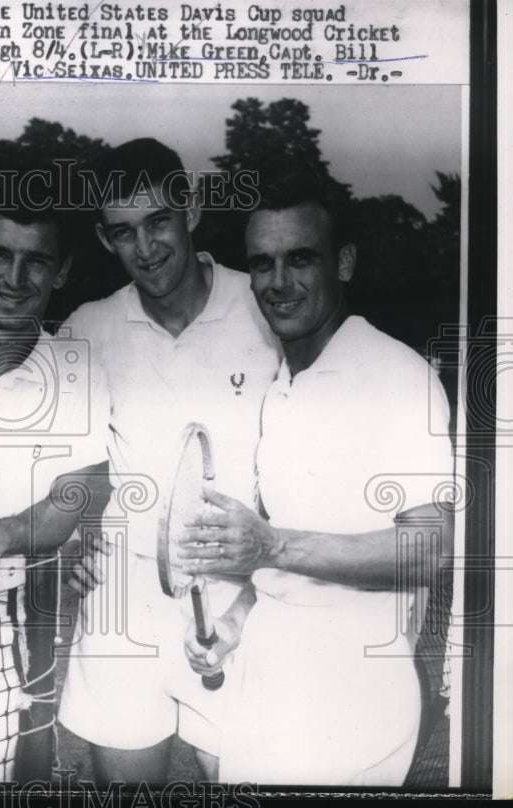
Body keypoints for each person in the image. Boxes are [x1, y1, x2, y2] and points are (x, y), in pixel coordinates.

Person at [0, 139, 281, 782]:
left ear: (188, 209)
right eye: (124, 233)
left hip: (240, 595)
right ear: (107, 243)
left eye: (158, 221)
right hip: (120, 605)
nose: (147, 246)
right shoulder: (86, 328)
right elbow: (68, 469)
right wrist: (71, 543)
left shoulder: (266, 305)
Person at [179, 169, 454, 785]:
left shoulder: (398, 376)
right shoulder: (282, 383)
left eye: (300, 259)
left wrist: (271, 544)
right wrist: (233, 622)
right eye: (262, 263)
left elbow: (428, 552)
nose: (278, 283)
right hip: (263, 691)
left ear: (344, 263)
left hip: (355, 709)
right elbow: (286, 571)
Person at [0, 198, 108, 777]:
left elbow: (76, 496)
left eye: (36, 261)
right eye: (0, 254)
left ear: (61, 271)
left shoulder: (78, 370)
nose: (14, 277)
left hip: (11, 637)